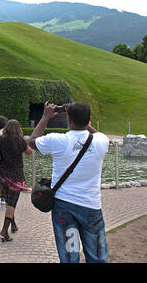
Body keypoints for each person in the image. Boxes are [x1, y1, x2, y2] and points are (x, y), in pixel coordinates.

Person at [28, 102, 109, 263]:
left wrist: (45, 117)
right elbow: (98, 134)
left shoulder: (58, 140)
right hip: (91, 205)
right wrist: (84, 122)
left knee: (69, 256)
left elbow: (32, 141)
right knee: (97, 257)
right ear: (89, 120)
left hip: (64, 205)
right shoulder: (101, 141)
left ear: (68, 119)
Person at [0, 119, 32, 242]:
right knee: (12, 204)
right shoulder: (20, 141)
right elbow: (29, 152)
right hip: (16, 176)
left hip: (3, 174)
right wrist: (22, 136)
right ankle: (4, 230)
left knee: (9, 201)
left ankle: (13, 225)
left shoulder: (0, 139)